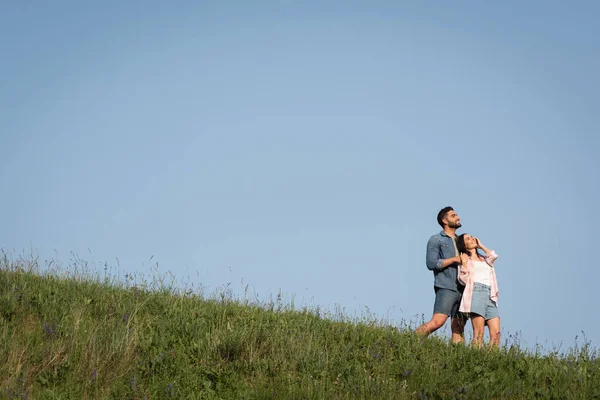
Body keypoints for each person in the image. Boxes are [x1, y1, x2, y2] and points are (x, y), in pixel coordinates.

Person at [415, 206, 466, 344]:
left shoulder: (462, 241)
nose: (458, 217)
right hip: (446, 286)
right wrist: (454, 259)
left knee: (458, 327)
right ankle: (409, 341)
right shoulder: (436, 240)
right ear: (444, 220)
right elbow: (431, 263)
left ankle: (458, 361)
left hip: (464, 289)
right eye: (453, 215)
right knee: (438, 321)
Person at [456, 234, 500, 347]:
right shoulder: (466, 260)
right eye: (467, 239)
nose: (471, 239)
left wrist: (481, 245)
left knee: (496, 335)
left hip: (490, 295)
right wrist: (464, 263)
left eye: (471, 237)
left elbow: (494, 255)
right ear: (464, 245)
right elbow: (462, 280)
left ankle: (490, 361)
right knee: (479, 332)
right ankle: (476, 359)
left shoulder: (484, 259)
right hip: (476, 292)